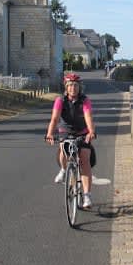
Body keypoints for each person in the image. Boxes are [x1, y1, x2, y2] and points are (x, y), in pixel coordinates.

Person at [45, 73, 97, 209]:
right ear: (66, 87)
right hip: (66, 131)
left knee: (84, 158)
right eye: (70, 85)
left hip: (82, 132)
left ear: (79, 87)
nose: (73, 88)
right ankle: (63, 170)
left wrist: (91, 131)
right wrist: (50, 133)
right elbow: (55, 118)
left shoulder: (84, 100)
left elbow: (88, 117)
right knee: (64, 147)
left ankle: (87, 195)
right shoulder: (60, 100)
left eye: (75, 85)